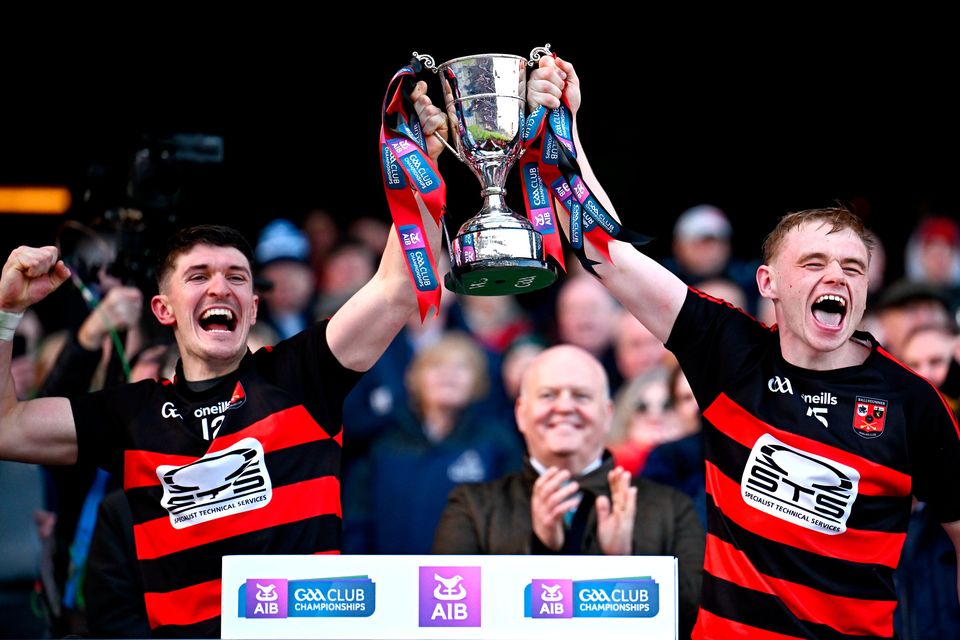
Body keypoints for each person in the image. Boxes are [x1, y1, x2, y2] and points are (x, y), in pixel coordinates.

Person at [528, 55, 960, 639]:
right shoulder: (727, 350)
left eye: (853, 268)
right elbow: (606, 251)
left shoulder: (914, 404)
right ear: (768, 285)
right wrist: (562, 126)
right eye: (813, 263)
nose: (836, 277)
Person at [0, 81, 448, 638]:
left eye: (236, 277)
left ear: (255, 304)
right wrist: (4, 316)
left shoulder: (299, 374)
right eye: (198, 277)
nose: (221, 288)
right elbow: (7, 427)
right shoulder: (130, 415)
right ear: (163, 309)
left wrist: (418, 164)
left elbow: (399, 287)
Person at [432, 344, 704, 638]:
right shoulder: (471, 507)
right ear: (521, 413)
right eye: (548, 395)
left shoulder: (672, 507)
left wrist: (625, 569)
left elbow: (698, 620)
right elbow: (446, 621)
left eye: (581, 396)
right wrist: (538, 552)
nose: (563, 407)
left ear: (608, 414)